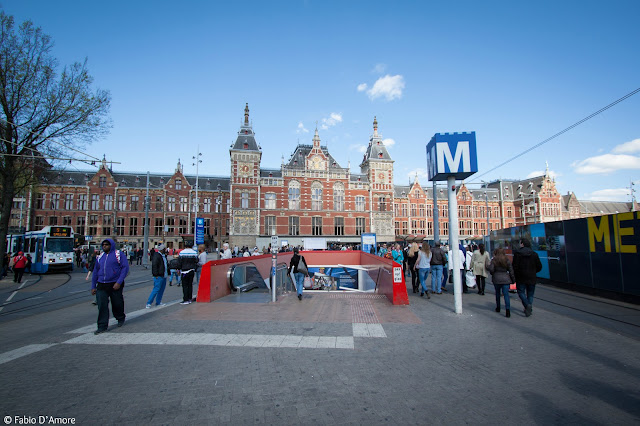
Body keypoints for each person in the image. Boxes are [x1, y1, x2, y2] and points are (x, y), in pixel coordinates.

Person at [91, 238, 129, 334]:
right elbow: (95, 272)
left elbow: (125, 268)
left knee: (117, 303)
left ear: (111, 245)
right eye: (103, 244)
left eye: (106, 244)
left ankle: (120, 317)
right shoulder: (100, 256)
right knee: (102, 305)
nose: (104, 246)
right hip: (102, 284)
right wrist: (93, 286)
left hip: (114, 283)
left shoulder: (118, 254)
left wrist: (119, 282)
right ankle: (102, 326)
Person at [513, 237, 542, 317]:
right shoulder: (534, 254)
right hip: (532, 277)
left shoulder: (517, 254)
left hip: (521, 277)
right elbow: (539, 266)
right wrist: (533, 272)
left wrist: (516, 274)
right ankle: (529, 307)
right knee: (530, 294)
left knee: (521, 292)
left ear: (522, 244)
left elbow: (514, 266)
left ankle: (527, 306)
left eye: (520, 243)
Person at [487, 248, 515, 318]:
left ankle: (498, 307)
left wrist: (493, 273)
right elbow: (511, 270)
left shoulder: (494, 260)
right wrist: (513, 280)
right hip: (506, 279)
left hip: (496, 278)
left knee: (497, 293)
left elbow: (491, 269)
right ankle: (507, 310)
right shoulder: (506, 260)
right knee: (506, 295)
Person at [146, 244, 168, 308]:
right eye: (164, 249)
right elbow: (154, 265)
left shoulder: (163, 256)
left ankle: (158, 302)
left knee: (161, 290)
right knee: (156, 289)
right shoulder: (157, 256)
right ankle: (149, 303)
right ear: (162, 249)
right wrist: (155, 274)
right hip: (158, 275)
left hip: (164, 275)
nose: (165, 250)